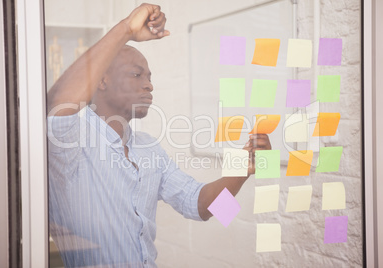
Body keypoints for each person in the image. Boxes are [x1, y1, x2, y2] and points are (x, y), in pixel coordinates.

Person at [47, 3, 271, 267]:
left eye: (149, 76)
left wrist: (243, 169)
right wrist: (127, 29)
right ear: (102, 80)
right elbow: (56, 105)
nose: (149, 84)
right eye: (136, 74)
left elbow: (200, 207)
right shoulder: (72, 143)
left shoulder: (149, 148)